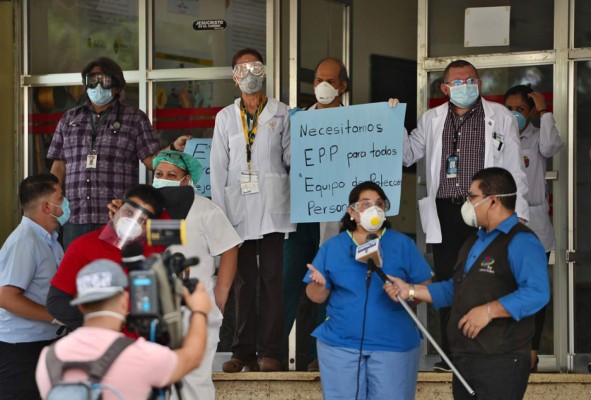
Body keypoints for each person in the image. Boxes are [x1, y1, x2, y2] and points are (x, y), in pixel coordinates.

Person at [403, 59, 529, 372]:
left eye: (470, 80)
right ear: (445, 88)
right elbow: (407, 154)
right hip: (447, 209)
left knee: (488, 277)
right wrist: (389, 122)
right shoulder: (432, 118)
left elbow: (515, 167)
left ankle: (485, 353)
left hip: (486, 208)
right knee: (449, 278)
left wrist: (518, 214)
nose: (465, 87)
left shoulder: (499, 116)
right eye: (458, 82)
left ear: (480, 84)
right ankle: (453, 355)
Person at [386, 167, 550, 400]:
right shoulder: (474, 239)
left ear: (493, 201)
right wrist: (410, 290)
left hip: (501, 359)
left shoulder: (521, 240)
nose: (467, 203)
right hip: (466, 356)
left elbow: (537, 293)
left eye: (472, 197)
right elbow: (455, 289)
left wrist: (489, 311)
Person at [304, 181, 433, 400]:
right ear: (351, 212)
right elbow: (316, 297)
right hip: (340, 346)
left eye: (380, 204)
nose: (374, 209)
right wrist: (318, 284)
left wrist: (408, 292)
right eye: (365, 204)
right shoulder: (332, 247)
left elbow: (427, 288)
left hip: (394, 346)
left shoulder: (403, 245)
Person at [47, 56, 191, 248]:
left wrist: (172, 148)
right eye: (92, 80)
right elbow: (59, 166)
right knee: (77, 273)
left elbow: (151, 160)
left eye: (104, 80)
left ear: (117, 86)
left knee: (117, 270)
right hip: (76, 215)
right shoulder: (69, 119)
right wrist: (52, 202)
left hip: (117, 215)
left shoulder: (134, 118)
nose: (97, 86)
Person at [211, 48, 295, 373]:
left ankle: (270, 351)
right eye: (242, 68)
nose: (249, 73)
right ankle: (242, 351)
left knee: (273, 280)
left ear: (264, 71)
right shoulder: (224, 117)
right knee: (243, 282)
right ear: (234, 76)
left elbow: (291, 160)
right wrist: (220, 218)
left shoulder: (282, 113)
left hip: (274, 209)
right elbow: (218, 169)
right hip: (237, 210)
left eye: (255, 66)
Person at [36, 259, 211, 400]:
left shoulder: (48, 358)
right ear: (124, 300)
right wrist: (199, 311)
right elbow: (191, 358)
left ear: (80, 306)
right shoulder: (140, 355)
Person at [149, 150, 242, 399]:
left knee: (194, 381)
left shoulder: (204, 209)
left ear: (187, 179)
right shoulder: (147, 210)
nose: (163, 178)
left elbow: (230, 248)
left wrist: (221, 292)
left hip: (196, 306)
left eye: (172, 174)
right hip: (155, 307)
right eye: (159, 174)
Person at [282, 57, 349, 372]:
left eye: (331, 81)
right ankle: (275, 354)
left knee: (327, 287)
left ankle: (319, 356)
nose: (324, 86)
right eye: (319, 79)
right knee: (289, 285)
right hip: (300, 217)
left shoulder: (357, 121)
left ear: (343, 86)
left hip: (334, 218)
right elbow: (286, 157)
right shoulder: (299, 119)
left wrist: (389, 116)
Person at [46, 184, 166, 329]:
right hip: (97, 344)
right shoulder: (83, 246)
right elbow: (57, 302)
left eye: (142, 220)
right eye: (128, 213)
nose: (132, 222)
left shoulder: (154, 249)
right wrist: (104, 322)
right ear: (116, 208)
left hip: (141, 345)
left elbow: (183, 197)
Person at [504, 85, 563, 371]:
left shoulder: (538, 136)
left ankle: (531, 350)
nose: (514, 114)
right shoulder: (497, 136)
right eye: (510, 109)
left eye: (521, 109)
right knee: (505, 286)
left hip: (536, 221)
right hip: (504, 219)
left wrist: (544, 112)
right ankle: (509, 350)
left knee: (534, 288)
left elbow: (552, 147)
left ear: (530, 112)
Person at [0, 174, 67, 399]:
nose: (66, 202)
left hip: (43, 342)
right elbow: (6, 297)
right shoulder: (24, 242)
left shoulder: (50, 240)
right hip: (21, 348)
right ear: (47, 206)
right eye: (61, 197)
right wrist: (56, 316)